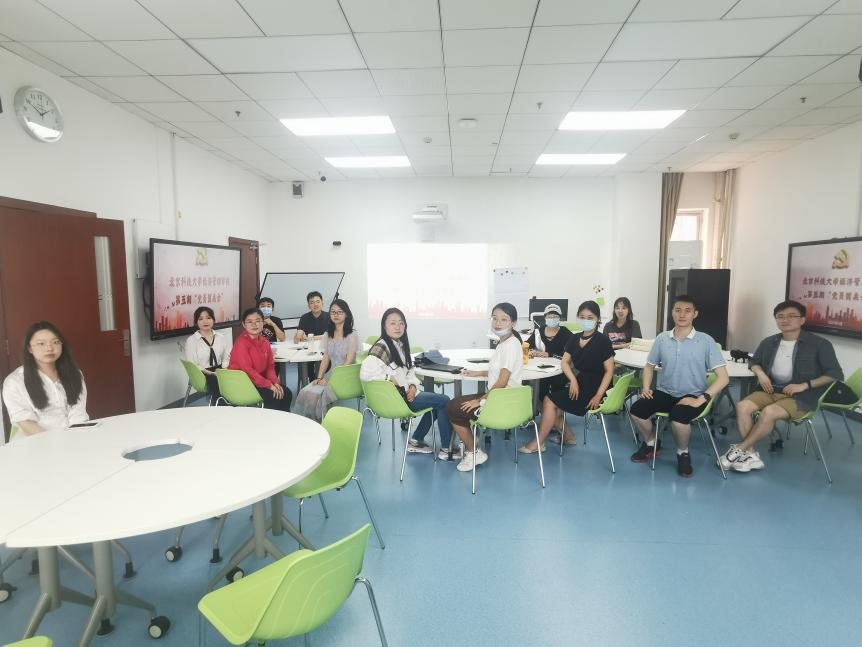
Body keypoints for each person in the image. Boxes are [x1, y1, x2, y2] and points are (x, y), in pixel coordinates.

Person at [719, 300, 843, 472]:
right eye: (780, 316)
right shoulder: (769, 342)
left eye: (791, 316)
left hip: (801, 396)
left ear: (802, 320)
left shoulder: (820, 344)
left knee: (769, 412)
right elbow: (754, 361)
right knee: (742, 406)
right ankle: (752, 454)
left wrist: (804, 385)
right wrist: (761, 373)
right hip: (772, 390)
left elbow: (835, 374)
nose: (785, 320)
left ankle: (740, 449)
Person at [629, 295, 729, 478]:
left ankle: (683, 453)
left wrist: (700, 400)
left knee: (678, 417)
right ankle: (651, 443)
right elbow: (649, 366)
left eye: (687, 311)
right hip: (666, 392)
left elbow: (723, 378)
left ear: (695, 314)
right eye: (678, 310)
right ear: (672, 313)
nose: (682, 315)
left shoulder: (705, 340)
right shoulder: (662, 338)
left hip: (694, 394)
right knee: (636, 410)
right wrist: (646, 387)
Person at [520, 301, 615, 453]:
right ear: (577, 318)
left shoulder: (603, 341)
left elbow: (609, 371)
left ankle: (539, 443)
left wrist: (598, 395)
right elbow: (565, 362)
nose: (586, 320)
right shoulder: (574, 338)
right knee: (553, 407)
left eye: (590, 317)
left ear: (598, 319)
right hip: (581, 382)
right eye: (582, 317)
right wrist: (573, 380)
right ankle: (569, 437)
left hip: (597, 388)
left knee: (549, 401)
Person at [361, 307, 455, 460]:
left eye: (401, 323)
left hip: (405, 395)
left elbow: (410, 373)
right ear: (384, 326)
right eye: (393, 323)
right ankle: (446, 449)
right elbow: (365, 373)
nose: (398, 327)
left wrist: (412, 387)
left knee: (436, 402)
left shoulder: (400, 345)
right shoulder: (382, 346)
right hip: (395, 399)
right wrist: (388, 378)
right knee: (444, 401)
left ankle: (416, 440)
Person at [446, 302, 523, 472]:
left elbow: (502, 381)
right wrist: (478, 373)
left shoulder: (511, 345)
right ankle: (472, 445)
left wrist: (480, 401)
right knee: (456, 404)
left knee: (453, 408)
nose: (498, 323)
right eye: (495, 318)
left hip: (502, 402)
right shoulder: (505, 343)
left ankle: (474, 451)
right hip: (503, 398)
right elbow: (500, 371)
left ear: (513, 323)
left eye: (504, 319)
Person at [2, 321, 88, 440]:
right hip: (34, 443)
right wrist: (54, 444)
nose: (49, 348)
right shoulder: (14, 382)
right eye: (41, 344)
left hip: (72, 439)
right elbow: (26, 423)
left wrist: (75, 440)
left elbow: (78, 413)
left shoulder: (74, 374)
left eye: (55, 342)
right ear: (29, 348)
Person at [293, 299, 358, 422]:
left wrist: (329, 380)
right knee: (305, 392)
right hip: (330, 374)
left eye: (340, 312)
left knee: (317, 395)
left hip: (345, 376)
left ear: (346, 314)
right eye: (333, 312)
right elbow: (326, 358)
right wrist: (319, 377)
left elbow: (348, 362)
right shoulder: (328, 334)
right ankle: (312, 424)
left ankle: (323, 424)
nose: (336, 315)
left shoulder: (352, 335)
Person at [228, 307, 292, 411]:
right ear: (244, 324)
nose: (254, 324)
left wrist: (275, 382)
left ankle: (283, 420)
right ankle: (270, 421)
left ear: (263, 323)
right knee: (272, 396)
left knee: (286, 393)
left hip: (257, 381)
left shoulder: (265, 342)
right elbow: (248, 370)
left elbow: (270, 367)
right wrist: (268, 385)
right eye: (249, 322)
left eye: (258, 321)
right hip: (242, 383)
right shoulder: (241, 343)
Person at [527, 303, 573, 399]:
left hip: (560, 369)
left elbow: (571, 352)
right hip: (541, 368)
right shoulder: (538, 332)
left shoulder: (565, 333)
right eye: (549, 316)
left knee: (556, 385)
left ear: (559, 318)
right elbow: (526, 345)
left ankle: (554, 403)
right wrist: (528, 351)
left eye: (555, 316)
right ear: (545, 317)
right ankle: (541, 403)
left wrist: (550, 354)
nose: (552, 318)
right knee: (539, 387)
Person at [184, 306, 230, 404]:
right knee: (216, 381)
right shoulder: (191, 340)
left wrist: (225, 370)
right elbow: (193, 365)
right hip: (202, 373)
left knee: (236, 378)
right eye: (201, 319)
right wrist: (211, 373)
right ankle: (222, 406)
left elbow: (225, 358)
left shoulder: (220, 337)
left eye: (208, 318)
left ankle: (235, 404)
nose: (205, 321)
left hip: (220, 369)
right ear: (196, 322)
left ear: (213, 320)